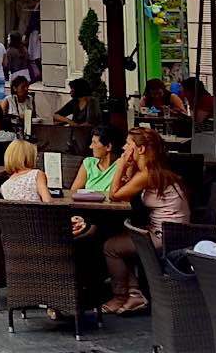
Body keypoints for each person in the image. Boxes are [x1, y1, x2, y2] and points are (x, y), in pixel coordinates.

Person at [102, 127, 190, 314]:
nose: (124, 148)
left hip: (168, 236)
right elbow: (126, 187)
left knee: (111, 247)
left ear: (140, 149)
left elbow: (115, 194)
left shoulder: (148, 174)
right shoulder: (151, 170)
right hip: (168, 231)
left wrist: (120, 165)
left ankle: (122, 297)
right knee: (122, 237)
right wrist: (129, 165)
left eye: (128, 144)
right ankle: (134, 295)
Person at [72, 124, 123, 194]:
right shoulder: (89, 163)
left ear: (108, 147)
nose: (90, 146)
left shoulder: (121, 165)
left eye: (94, 143)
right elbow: (73, 193)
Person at [0, 139, 53, 203]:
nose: (37, 158)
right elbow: (48, 201)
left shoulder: (4, 186)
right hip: (36, 212)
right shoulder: (36, 174)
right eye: (36, 156)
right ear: (29, 157)